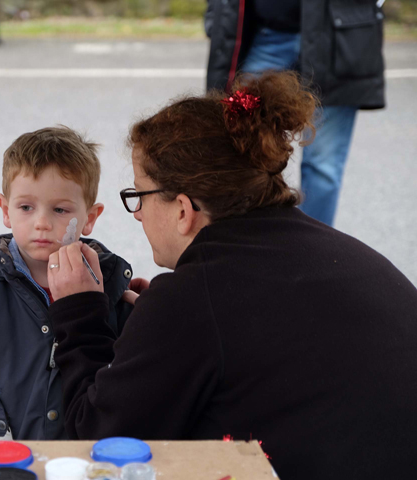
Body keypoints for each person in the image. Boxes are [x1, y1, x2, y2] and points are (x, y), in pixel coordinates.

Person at [45, 72, 417, 480]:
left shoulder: (194, 298)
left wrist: (80, 316)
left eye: (139, 195)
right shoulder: (342, 251)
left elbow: (99, 439)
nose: (137, 214)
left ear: (184, 210)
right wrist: (158, 332)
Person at [0, 127, 134, 440]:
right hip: (5, 457)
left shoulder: (107, 286)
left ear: (90, 217)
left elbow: (125, 384)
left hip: (78, 460)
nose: (41, 222)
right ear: (5, 210)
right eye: (26, 207)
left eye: (60, 209)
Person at [204, 0, 385, 226]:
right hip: (265, 36)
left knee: (323, 167)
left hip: (336, 37)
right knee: (234, 147)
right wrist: (216, 12)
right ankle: (242, 246)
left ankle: (312, 252)